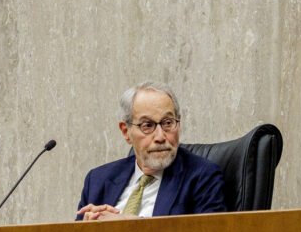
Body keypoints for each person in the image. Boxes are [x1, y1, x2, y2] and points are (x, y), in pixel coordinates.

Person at [77, 82, 227, 220]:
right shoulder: (97, 180)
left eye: (168, 123)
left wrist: (128, 225)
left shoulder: (202, 177)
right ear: (125, 132)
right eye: (147, 125)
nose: (160, 137)